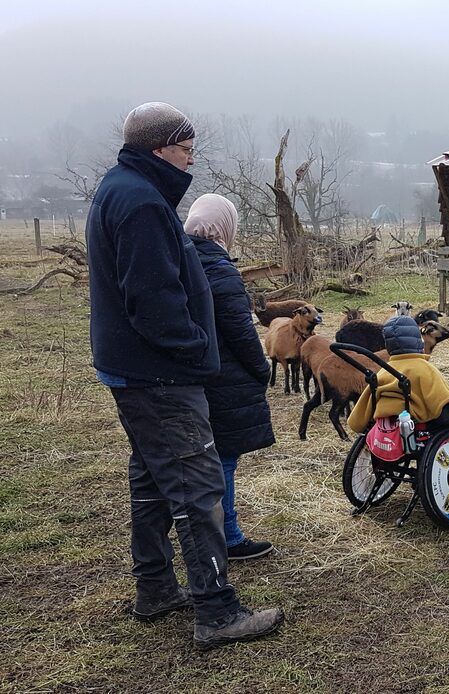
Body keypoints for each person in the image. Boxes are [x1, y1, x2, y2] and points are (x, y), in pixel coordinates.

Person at [86, 102, 283, 650]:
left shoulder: (122, 188)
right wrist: (199, 352)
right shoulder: (142, 202)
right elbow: (153, 299)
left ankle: (154, 587)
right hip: (162, 376)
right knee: (197, 489)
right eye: (186, 150)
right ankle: (217, 610)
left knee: (151, 482)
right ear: (160, 149)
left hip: (135, 371)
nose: (191, 161)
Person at [184, 194, 275, 561]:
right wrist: (262, 369)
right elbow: (241, 332)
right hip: (223, 379)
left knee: (194, 459)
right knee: (222, 458)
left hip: (185, 378)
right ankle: (228, 536)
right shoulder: (220, 270)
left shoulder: (178, 260)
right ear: (224, 227)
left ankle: (201, 534)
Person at [347, 316, 449, 435]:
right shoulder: (425, 368)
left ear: (388, 344)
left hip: (390, 426)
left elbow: (356, 419)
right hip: (424, 425)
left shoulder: (384, 372)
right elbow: (446, 400)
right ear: (417, 339)